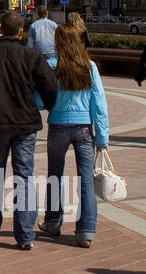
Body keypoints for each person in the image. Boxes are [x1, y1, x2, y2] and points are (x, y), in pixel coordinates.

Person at [0, 12, 59, 250]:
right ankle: (25, 235)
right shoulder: (32, 56)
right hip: (25, 124)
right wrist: (47, 104)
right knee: (24, 176)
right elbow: (50, 86)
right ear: (21, 32)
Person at [35, 25, 110, 248]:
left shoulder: (51, 65)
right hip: (84, 128)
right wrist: (102, 137)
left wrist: (44, 104)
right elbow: (99, 101)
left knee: (54, 175)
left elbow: (39, 99)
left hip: (58, 125)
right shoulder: (89, 65)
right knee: (85, 179)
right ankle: (86, 231)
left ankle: (53, 222)